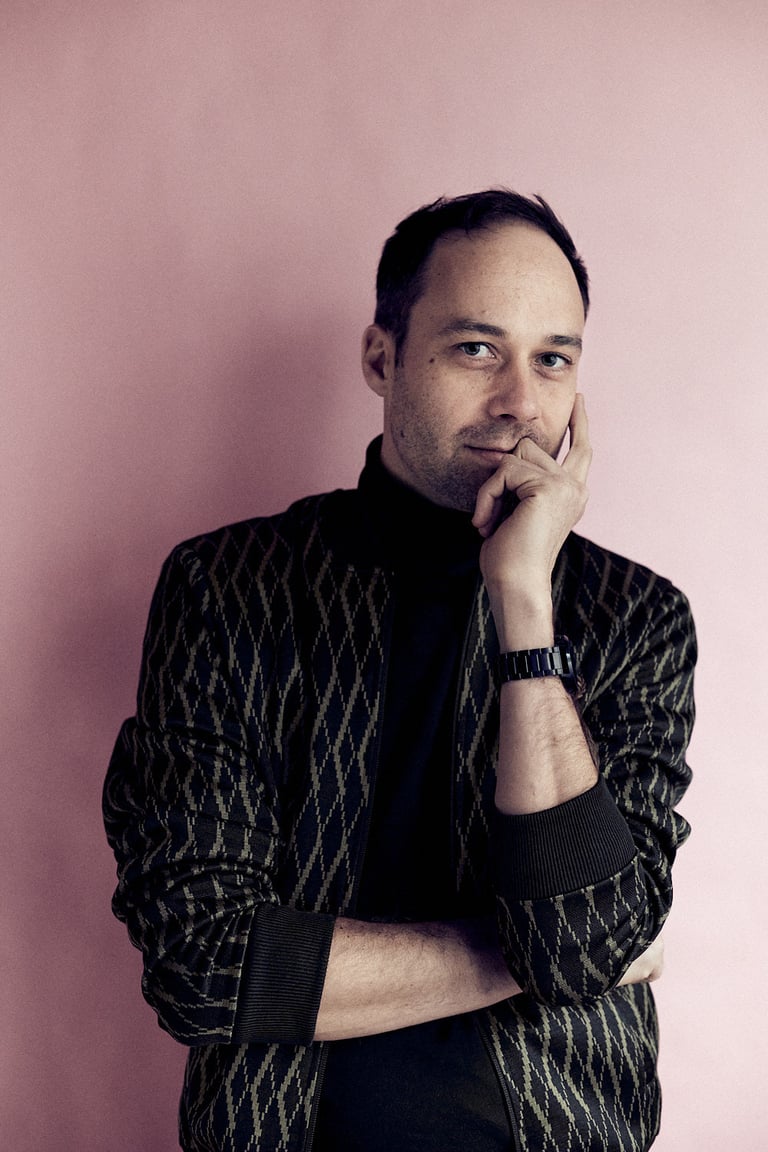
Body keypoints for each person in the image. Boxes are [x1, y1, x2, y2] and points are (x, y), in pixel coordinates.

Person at [103, 189, 696, 1152]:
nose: (520, 399)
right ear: (382, 359)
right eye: (476, 348)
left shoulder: (636, 618)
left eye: (553, 358)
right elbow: (204, 964)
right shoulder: (227, 588)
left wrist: (523, 602)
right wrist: (537, 954)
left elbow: (587, 942)